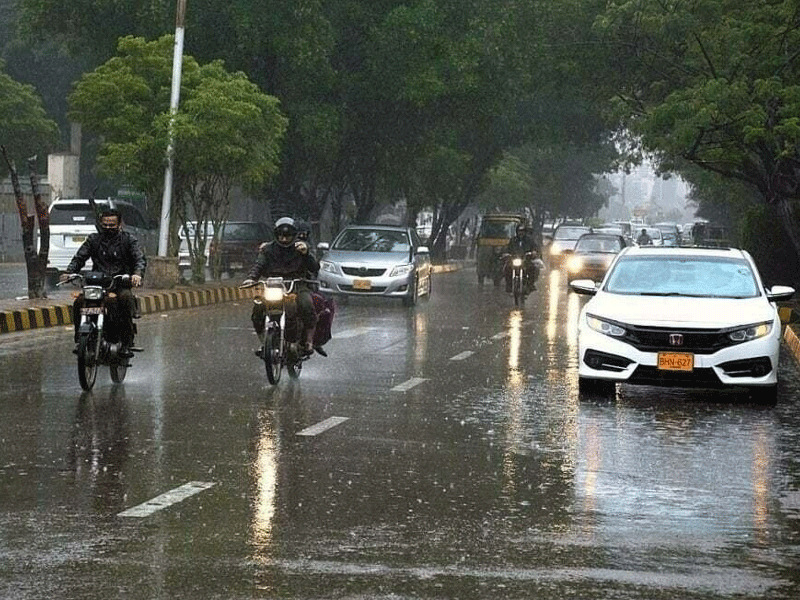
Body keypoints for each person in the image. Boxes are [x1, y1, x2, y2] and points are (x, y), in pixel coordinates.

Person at [60, 207, 146, 355]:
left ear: (119, 225)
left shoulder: (128, 240)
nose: (108, 227)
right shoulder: (93, 239)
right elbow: (80, 257)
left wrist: (136, 274)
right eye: (105, 224)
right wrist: (70, 272)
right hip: (96, 284)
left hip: (119, 284)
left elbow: (139, 259)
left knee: (125, 299)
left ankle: (126, 343)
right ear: (100, 223)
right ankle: (80, 339)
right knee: (79, 302)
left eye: (112, 225)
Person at [243, 217, 320, 355]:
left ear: (294, 235)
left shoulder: (301, 248)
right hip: (273, 286)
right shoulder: (267, 249)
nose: (284, 239)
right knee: (258, 310)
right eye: (281, 236)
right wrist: (251, 278)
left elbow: (314, 267)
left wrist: (307, 253)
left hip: (296, 285)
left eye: (287, 236)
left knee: (306, 305)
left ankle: (308, 341)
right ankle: (263, 342)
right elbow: (258, 265)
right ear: (276, 235)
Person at [504, 224, 540, 293]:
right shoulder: (513, 240)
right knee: (507, 268)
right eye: (519, 231)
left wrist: (533, 252)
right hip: (514, 260)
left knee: (533, 268)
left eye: (522, 231)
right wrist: (506, 254)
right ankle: (509, 285)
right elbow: (508, 249)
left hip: (526, 260)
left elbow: (535, 247)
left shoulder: (529, 240)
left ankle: (530, 285)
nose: (521, 233)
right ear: (517, 232)